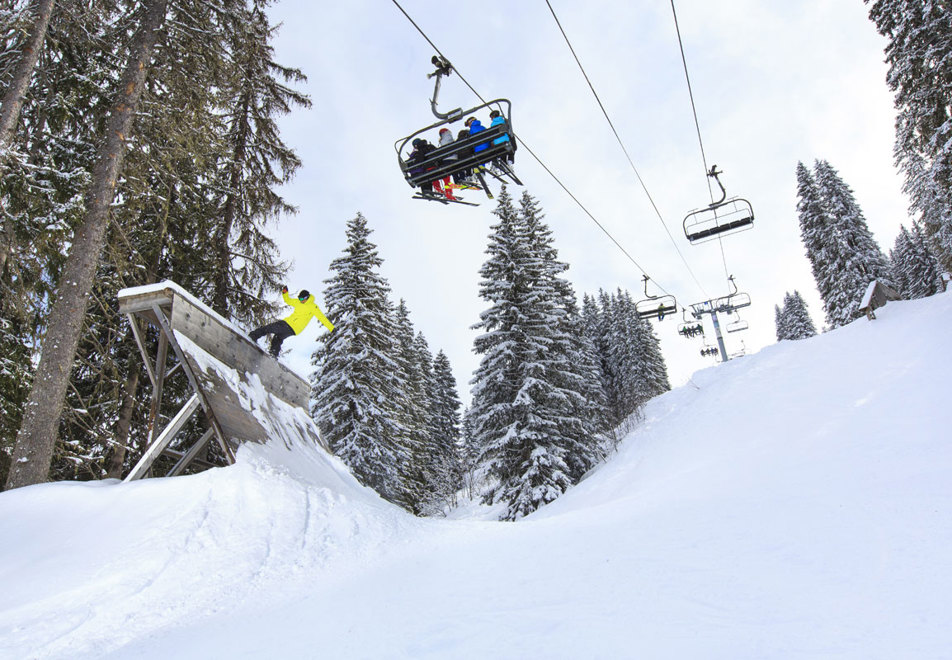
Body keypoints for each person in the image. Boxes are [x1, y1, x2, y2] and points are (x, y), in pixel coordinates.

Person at [249, 286, 334, 357]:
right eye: (299, 298)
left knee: (269, 328)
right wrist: (285, 293)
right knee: (278, 338)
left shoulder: (313, 307)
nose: (300, 300)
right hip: (293, 330)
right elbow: (288, 300)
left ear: (307, 297)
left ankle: (253, 336)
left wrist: (331, 328)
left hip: (289, 325)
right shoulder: (298, 302)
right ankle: (273, 354)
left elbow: (322, 318)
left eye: (302, 298)